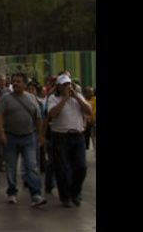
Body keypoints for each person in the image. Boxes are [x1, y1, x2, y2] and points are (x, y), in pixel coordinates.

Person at [0, 73, 47, 207]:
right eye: (14, 81)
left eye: (19, 81)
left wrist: (40, 135)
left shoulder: (31, 98)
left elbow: (38, 117)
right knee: (11, 167)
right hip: (10, 136)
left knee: (31, 166)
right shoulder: (6, 98)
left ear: (25, 84)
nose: (16, 84)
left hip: (29, 137)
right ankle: (12, 192)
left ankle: (36, 194)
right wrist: (1, 132)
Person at [46, 74, 92, 207]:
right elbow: (52, 114)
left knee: (81, 167)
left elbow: (89, 111)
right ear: (59, 87)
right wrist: (65, 99)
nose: (68, 87)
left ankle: (75, 193)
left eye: (69, 84)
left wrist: (76, 97)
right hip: (60, 136)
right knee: (62, 169)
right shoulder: (53, 99)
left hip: (77, 136)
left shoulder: (78, 97)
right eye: (65, 85)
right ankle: (65, 197)